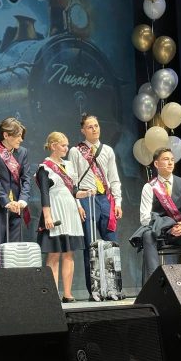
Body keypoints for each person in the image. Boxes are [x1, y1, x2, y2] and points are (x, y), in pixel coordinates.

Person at [131, 147, 181, 281]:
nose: (170, 163)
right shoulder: (149, 187)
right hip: (160, 233)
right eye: (166, 159)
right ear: (156, 164)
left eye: (172, 159)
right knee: (148, 235)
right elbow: (145, 218)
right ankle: (155, 281)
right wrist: (166, 226)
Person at [68, 113, 122, 295]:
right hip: (86, 198)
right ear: (83, 130)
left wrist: (118, 202)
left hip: (105, 199)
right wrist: (78, 204)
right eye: (90, 127)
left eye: (96, 126)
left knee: (111, 243)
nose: (94, 129)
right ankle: (94, 289)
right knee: (90, 246)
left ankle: (115, 287)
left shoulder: (108, 150)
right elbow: (72, 181)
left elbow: (114, 178)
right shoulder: (76, 151)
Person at [37, 132, 94, 302]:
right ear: (53, 146)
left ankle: (67, 294)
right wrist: (47, 216)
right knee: (54, 254)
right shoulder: (44, 168)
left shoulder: (68, 166)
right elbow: (44, 194)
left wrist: (85, 193)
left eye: (67, 145)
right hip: (55, 211)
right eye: (63, 145)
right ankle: (53, 294)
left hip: (70, 212)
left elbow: (74, 191)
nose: (66, 148)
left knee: (69, 254)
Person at [0, 117, 32, 244]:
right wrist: (6, 202)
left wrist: (22, 200)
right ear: (6, 135)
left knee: (14, 249)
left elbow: (26, 178)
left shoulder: (23, 152)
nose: (21, 140)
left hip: (17, 206)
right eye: (18, 136)